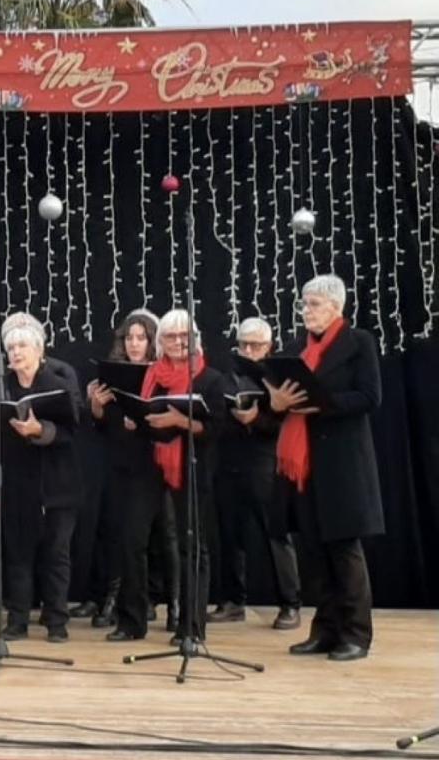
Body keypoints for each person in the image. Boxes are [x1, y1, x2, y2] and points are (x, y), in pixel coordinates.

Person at [266, 274, 382, 661]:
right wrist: (277, 402)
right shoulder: (298, 346)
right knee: (315, 551)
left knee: (345, 550)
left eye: (313, 304)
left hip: (343, 462)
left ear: (336, 306)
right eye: (304, 303)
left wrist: (323, 403)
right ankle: (325, 630)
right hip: (306, 464)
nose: (306, 311)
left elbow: (369, 396)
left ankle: (356, 634)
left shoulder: (358, 342)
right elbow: (279, 395)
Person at [111, 309, 226, 645]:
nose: (177, 341)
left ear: (195, 339)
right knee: (132, 539)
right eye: (170, 336)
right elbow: (144, 412)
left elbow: (219, 428)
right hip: (149, 462)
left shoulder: (210, 379)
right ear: (159, 342)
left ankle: (191, 627)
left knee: (193, 546)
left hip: (191, 464)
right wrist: (136, 420)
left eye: (183, 335)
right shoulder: (152, 375)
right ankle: (132, 621)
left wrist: (182, 422)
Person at [0, 316, 82, 643]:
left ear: (39, 350)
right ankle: (17, 620)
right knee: (17, 554)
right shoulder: (0, 385)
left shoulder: (59, 383)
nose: (15, 352)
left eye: (22, 346)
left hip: (58, 485)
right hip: (16, 484)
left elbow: (74, 431)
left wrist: (41, 430)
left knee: (56, 555)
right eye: (10, 347)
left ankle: (56, 622)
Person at [84, 311, 181, 638]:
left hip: (157, 462)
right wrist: (97, 408)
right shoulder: (112, 375)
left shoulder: (164, 373)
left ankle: (176, 608)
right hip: (122, 464)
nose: (135, 343)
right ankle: (132, 616)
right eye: (129, 338)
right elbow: (103, 426)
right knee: (127, 542)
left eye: (141, 338)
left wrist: (140, 421)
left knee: (167, 540)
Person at [209, 317, 301, 630]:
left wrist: (256, 418)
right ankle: (233, 601)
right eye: (243, 344)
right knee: (229, 535)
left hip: (265, 463)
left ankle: (290, 603)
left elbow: (285, 423)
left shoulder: (280, 380)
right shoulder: (226, 378)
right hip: (228, 462)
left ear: (269, 347)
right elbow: (215, 420)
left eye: (256, 345)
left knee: (274, 533)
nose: (249, 350)